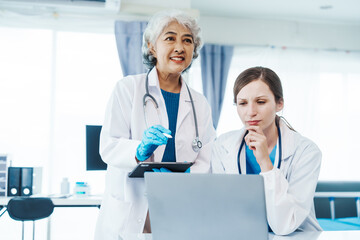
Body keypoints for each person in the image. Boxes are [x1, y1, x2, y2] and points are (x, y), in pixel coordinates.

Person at [94, 10, 216, 239]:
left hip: (177, 208)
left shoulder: (200, 103)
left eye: (187, 40)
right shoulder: (128, 89)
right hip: (131, 212)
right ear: (152, 47)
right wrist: (139, 150)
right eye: (170, 38)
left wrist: (186, 176)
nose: (180, 47)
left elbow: (208, 158)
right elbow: (108, 146)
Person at [211, 67, 322, 235]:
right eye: (242, 103)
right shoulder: (222, 145)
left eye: (261, 102)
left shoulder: (306, 151)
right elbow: (221, 208)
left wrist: (265, 163)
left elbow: (284, 225)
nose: (250, 112)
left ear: (279, 104)